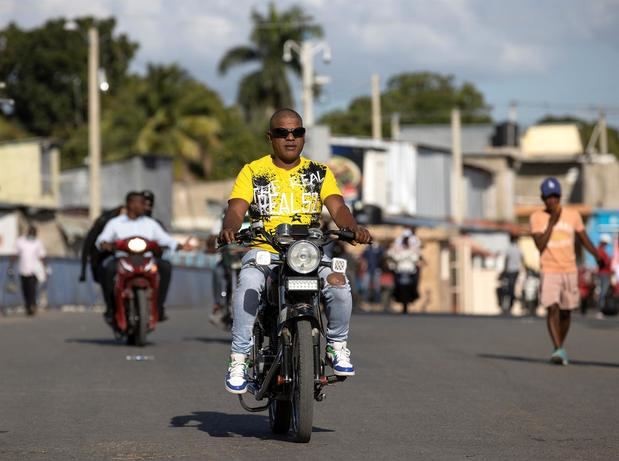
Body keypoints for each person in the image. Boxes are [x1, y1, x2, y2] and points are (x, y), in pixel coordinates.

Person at [218, 108, 372, 394]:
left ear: (303, 136)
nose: (290, 138)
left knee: (339, 283)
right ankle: (239, 359)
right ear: (270, 137)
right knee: (249, 283)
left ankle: (337, 346)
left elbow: (338, 206)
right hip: (266, 251)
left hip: (308, 252)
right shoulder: (253, 171)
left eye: (297, 132)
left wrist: (352, 227)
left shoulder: (320, 172)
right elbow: (236, 207)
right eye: (282, 132)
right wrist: (231, 227)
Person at [529, 177, 602, 366]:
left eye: (555, 197)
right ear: (543, 198)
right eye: (548, 197)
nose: (552, 201)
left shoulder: (573, 215)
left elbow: (583, 238)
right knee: (552, 307)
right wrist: (551, 223)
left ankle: (560, 345)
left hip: (569, 269)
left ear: (560, 196)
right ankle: (558, 349)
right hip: (549, 269)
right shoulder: (537, 217)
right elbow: (539, 245)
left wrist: (597, 255)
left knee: (566, 311)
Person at [96, 191, 190, 323]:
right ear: (131, 204)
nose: (145, 207)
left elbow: (166, 239)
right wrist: (104, 244)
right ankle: (111, 309)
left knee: (165, 266)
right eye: (141, 203)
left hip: (146, 259)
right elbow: (102, 238)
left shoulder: (150, 224)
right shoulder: (115, 223)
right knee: (107, 268)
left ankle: (159, 306)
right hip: (123, 259)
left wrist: (180, 246)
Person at [9, 225, 47, 316]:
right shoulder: (20, 241)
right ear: (28, 232)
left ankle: (32, 305)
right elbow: (15, 254)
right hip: (22, 269)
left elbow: (42, 256)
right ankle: (27, 305)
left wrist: (45, 268)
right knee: (25, 289)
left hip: (34, 270)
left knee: (32, 288)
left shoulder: (38, 243)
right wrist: (10, 266)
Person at [387, 234, 422, 314]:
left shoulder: (412, 251)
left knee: (415, 283)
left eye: (407, 242)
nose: (406, 243)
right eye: (404, 242)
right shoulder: (398, 250)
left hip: (410, 273)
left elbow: (416, 258)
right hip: (400, 272)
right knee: (395, 285)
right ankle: (395, 295)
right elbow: (394, 257)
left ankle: (415, 293)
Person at [500, 234, 523, 314]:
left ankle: (513, 299)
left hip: (510, 270)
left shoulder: (509, 249)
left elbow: (506, 260)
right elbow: (522, 258)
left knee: (510, 287)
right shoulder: (518, 249)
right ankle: (512, 301)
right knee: (512, 286)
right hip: (516, 271)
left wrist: (504, 270)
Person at [596, 234, 613, 314]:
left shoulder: (601, 250)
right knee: (603, 291)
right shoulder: (600, 250)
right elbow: (602, 263)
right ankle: (601, 309)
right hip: (604, 273)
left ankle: (602, 308)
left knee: (604, 291)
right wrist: (609, 261)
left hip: (605, 273)